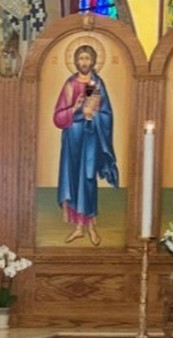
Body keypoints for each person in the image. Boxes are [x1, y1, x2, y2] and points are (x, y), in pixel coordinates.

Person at [52, 45, 119, 246]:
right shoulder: (70, 84)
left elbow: (107, 114)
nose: (84, 62)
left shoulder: (97, 83)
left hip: (90, 136)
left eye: (87, 59)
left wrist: (94, 114)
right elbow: (57, 117)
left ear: (93, 61)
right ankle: (79, 228)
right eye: (80, 58)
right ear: (75, 61)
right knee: (73, 179)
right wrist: (75, 107)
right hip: (73, 136)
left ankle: (91, 226)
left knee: (88, 179)